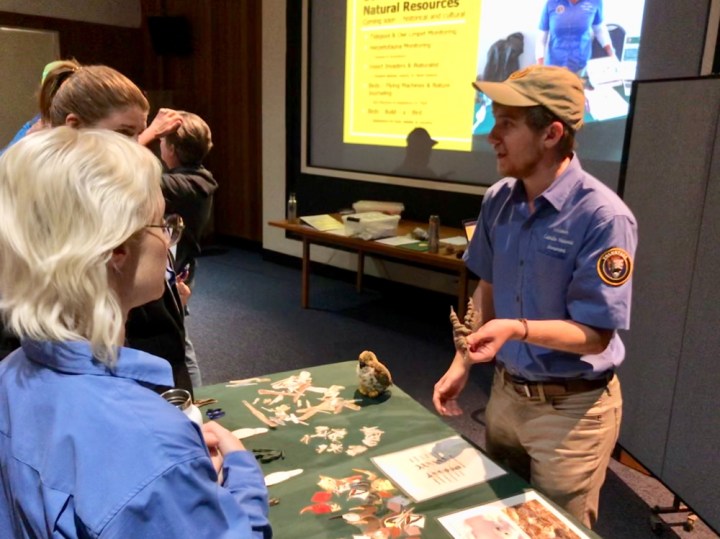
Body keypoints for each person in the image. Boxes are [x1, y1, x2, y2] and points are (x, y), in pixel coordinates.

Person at [0, 127, 271, 537]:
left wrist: (182, 495)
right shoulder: (153, 447)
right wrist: (241, 473)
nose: (168, 238)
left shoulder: (9, 374)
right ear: (117, 253)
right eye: (162, 223)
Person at [433, 65, 637, 528]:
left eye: (507, 122)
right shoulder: (498, 199)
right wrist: (462, 360)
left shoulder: (604, 218)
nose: (491, 134)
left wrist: (516, 328)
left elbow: (595, 335)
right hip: (506, 395)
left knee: (556, 530)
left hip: (571, 413)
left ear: (551, 134)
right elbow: (487, 285)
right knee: (499, 520)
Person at [31, 61, 193, 393]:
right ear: (74, 126)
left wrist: (171, 296)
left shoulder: (127, 186)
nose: (136, 146)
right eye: (124, 133)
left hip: (157, 351)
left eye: (139, 132)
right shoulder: (54, 210)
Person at [159, 110, 219, 282]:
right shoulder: (199, 177)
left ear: (171, 149)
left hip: (171, 271)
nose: (159, 142)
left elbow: (123, 180)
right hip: (181, 265)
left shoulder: (182, 185)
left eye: (162, 139)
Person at [536, 0, 616, 76]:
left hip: (581, 68)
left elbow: (599, 30)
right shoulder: (551, 3)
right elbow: (541, 40)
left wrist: (612, 56)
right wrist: (540, 68)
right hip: (554, 69)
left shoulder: (595, 2)